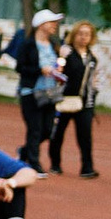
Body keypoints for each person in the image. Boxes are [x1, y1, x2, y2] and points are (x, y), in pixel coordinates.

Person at [7, 10, 65, 168]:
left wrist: (58, 71)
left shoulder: (54, 44)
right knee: (35, 128)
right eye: (51, 22)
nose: (54, 26)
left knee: (48, 129)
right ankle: (34, 163)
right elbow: (20, 68)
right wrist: (40, 70)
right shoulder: (28, 44)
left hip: (50, 93)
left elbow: (58, 64)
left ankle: (24, 152)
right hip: (31, 92)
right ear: (41, 25)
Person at [51, 21, 101, 176]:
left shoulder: (93, 58)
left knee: (85, 135)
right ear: (74, 35)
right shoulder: (66, 52)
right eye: (80, 34)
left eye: (87, 34)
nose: (83, 37)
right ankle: (55, 164)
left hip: (84, 102)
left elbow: (95, 79)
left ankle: (87, 168)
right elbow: (57, 72)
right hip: (64, 100)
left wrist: (93, 93)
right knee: (57, 133)